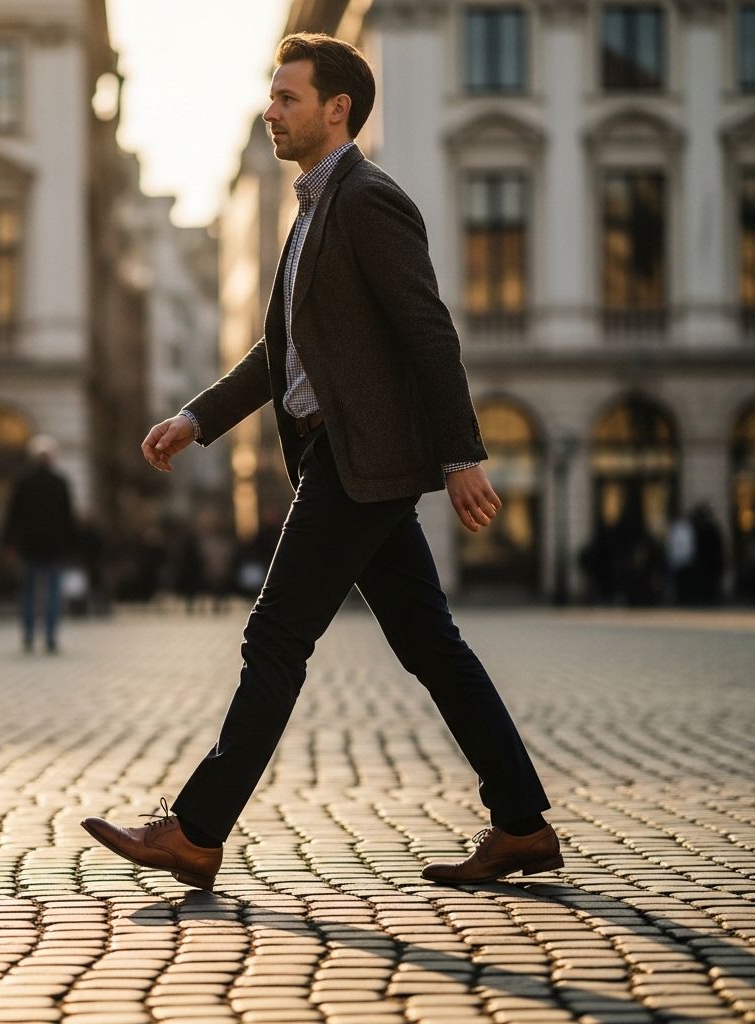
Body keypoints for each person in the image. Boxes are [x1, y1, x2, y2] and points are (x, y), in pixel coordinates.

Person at [82, 33, 559, 889]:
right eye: (272, 99)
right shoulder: (310, 210)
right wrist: (197, 418)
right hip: (342, 459)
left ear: (336, 109)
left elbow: (427, 329)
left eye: (287, 98)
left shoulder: (368, 201)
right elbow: (282, 354)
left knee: (275, 635)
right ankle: (521, 823)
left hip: (357, 457)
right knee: (431, 646)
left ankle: (195, 830)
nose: (272, 112)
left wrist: (461, 456)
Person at [2, 434, 78, 653]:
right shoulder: (59, 482)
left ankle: (28, 634)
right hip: (54, 546)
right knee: (53, 593)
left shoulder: (23, 481)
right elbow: (67, 517)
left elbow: (12, 515)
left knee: (28, 592)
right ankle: (50, 637)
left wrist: (8, 542)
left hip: (29, 546)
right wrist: (71, 545)